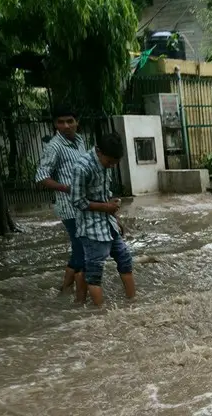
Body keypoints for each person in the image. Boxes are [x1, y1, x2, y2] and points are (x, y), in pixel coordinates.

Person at [71, 132, 135, 306]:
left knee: (125, 260)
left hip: (108, 225)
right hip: (91, 229)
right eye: (109, 162)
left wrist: (115, 218)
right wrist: (105, 207)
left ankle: (133, 304)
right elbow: (77, 201)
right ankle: (98, 315)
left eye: (115, 163)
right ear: (99, 151)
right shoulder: (82, 167)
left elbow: (105, 196)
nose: (112, 166)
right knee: (94, 274)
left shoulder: (106, 165)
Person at [34, 104, 87, 302]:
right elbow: (41, 177)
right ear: (55, 124)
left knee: (78, 249)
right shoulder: (54, 146)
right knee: (82, 249)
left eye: (70, 121)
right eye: (61, 122)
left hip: (84, 205)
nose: (65, 126)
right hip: (68, 207)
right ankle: (80, 301)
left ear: (76, 122)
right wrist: (66, 188)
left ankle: (64, 290)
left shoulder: (80, 141)